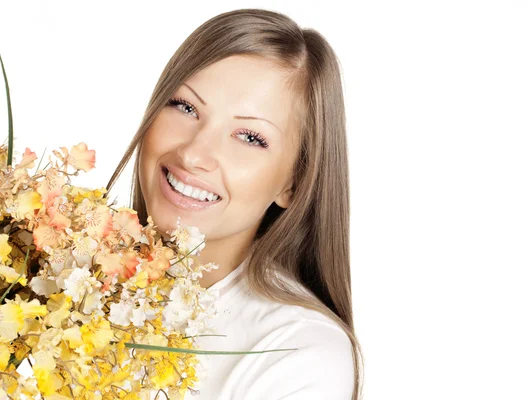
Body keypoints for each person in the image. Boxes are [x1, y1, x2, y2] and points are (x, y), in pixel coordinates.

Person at [107, 8, 364, 400]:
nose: (194, 154)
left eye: (248, 137)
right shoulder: (64, 278)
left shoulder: (299, 355)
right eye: (186, 107)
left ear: (294, 184)